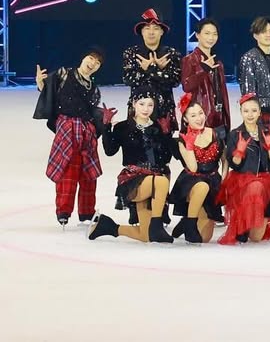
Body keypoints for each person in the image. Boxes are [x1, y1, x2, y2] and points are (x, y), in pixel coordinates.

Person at [33, 49, 113, 227]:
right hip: (68, 127)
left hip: (87, 131)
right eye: (90, 58)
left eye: (97, 63)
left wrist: (103, 118)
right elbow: (49, 91)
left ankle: (87, 212)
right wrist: (40, 83)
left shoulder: (93, 88)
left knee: (88, 173)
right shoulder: (64, 74)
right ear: (83, 58)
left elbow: (92, 111)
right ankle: (63, 211)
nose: (92, 63)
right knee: (69, 170)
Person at [87, 89, 174, 243]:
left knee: (146, 236)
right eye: (142, 104)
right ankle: (157, 225)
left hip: (153, 180)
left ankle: (107, 227)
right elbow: (110, 151)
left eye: (150, 105)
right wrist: (106, 126)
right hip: (134, 179)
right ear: (134, 104)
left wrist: (166, 135)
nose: (146, 109)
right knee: (162, 181)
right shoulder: (123, 127)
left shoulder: (158, 127)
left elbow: (165, 158)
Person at [216, 93, 270, 244]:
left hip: (264, 179)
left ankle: (248, 224)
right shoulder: (235, 134)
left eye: (253, 110)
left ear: (259, 112)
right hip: (242, 180)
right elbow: (234, 164)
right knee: (255, 186)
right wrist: (239, 152)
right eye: (246, 111)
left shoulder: (266, 132)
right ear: (241, 112)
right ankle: (242, 226)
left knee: (256, 238)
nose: (250, 114)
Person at [169, 94, 226, 243]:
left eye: (201, 113)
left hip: (213, 181)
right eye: (193, 115)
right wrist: (189, 146)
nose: (199, 118)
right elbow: (193, 168)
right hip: (192, 182)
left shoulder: (216, 133)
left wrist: (224, 178)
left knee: (205, 238)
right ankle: (190, 223)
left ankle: (185, 221)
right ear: (185, 119)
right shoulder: (182, 139)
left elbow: (225, 159)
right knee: (202, 186)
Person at [237, 16, 270, 184]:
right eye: (263, 31)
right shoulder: (249, 58)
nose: (268, 35)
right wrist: (252, 120)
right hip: (259, 117)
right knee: (260, 163)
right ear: (255, 35)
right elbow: (247, 94)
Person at [122, 8, 181, 132]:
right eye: (147, 28)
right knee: (136, 143)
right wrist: (157, 71)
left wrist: (151, 70)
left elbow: (175, 80)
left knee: (164, 144)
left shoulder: (171, 53)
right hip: (138, 112)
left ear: (162, 32)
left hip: (164, 112)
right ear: (141, 31)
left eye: (155, 28)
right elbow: (128, 79)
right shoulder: (131, 53)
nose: (151, 32)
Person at [180, 17, 231, 130]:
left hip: (219, 119)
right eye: (207, 33)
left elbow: (222, 94)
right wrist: (203, 69)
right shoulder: (190, 60)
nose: (211, 38)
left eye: (214, 34)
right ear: (197, 35)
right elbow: (186, 86)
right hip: (200, 118)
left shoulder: (218, 62)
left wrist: (226, 120)